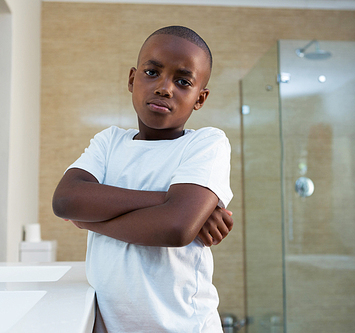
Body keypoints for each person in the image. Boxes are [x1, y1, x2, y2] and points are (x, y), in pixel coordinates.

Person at [52, 25, 233, 333]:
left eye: (183, 81)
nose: (165, 88)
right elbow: (66, 200)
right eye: (152, 73)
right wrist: (169, 201)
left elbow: (175, 228)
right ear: (132, 79)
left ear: (199, 99)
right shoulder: (108, 142)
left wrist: (89, 220)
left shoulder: (206, 144)